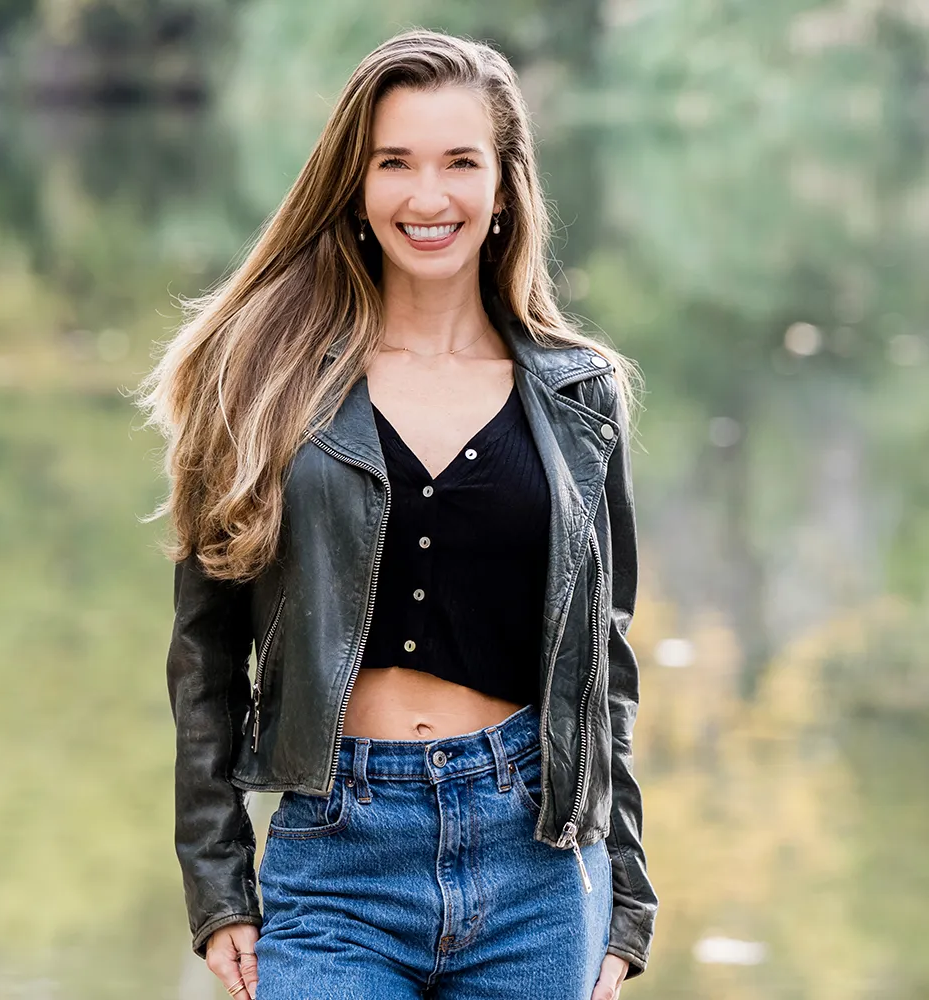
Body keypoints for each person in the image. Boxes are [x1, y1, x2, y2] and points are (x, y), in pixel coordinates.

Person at [135, 27, 657, 1000]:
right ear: (356, 183)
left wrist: (626, 903)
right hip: (336, 860)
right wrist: (219, 889)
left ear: (504, 187)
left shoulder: (581, 397)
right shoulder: (257, 380)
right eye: (395, 163)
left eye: (460, 162)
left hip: (536, 864)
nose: (428, 197)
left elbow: (605, 669)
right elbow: (203, 656)